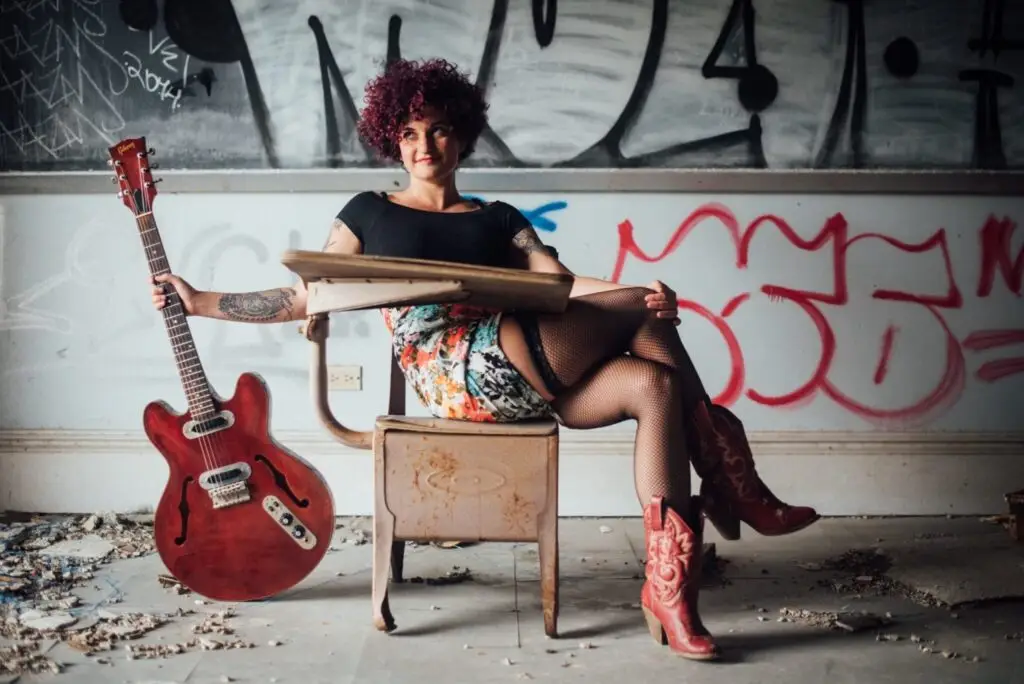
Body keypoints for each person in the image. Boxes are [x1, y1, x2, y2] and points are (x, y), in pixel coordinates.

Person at [150, 57, 819, 660]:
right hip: (454, 371)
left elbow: (563, 285)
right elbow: (307, 295)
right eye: (409, 133)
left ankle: (670, 594)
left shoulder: (498, 218)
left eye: (438, 130)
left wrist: (639, 290)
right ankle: (734, 486)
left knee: (654, 384)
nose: (423, 146)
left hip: (530, 361)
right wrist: (202, 300)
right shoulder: (370, 212)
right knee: (643, 318)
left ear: (462, 135)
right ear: (392, 139)